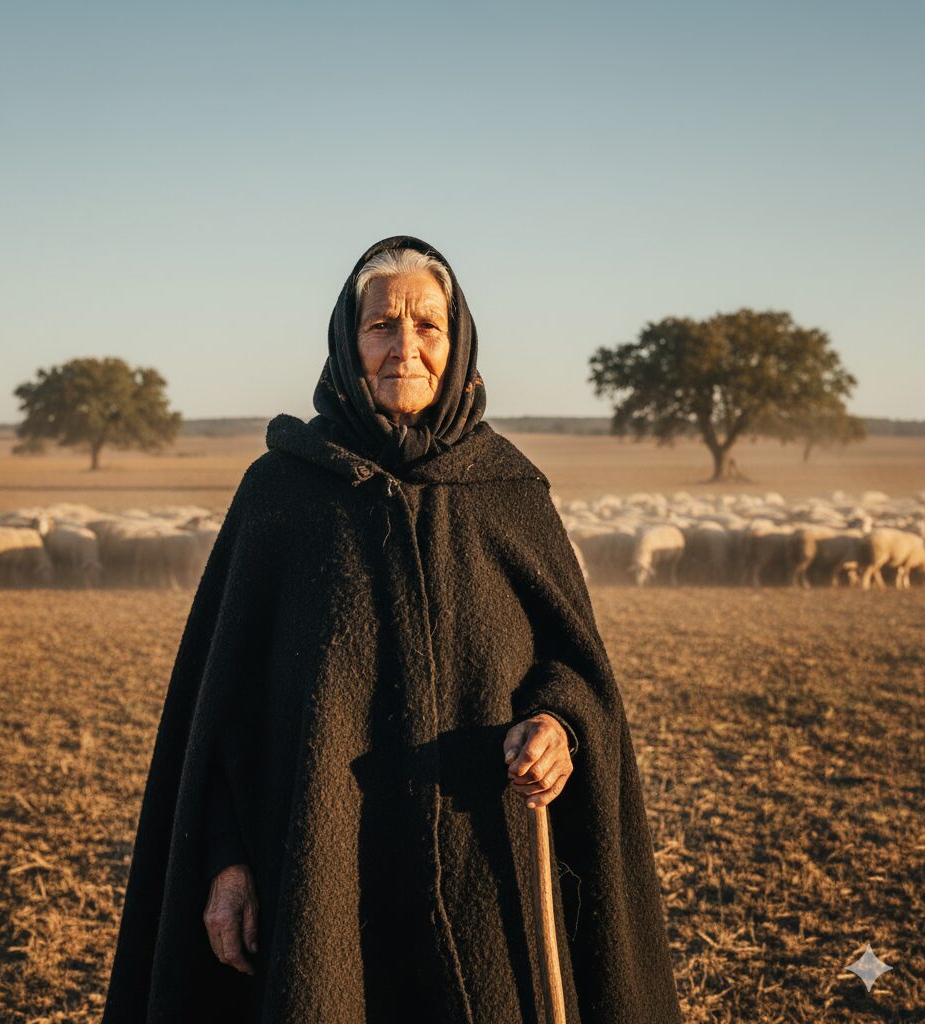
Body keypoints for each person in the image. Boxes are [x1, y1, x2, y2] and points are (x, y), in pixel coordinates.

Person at [100, 235, 683, 1023]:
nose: (405, 346)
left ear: (458, 340)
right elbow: (223, 710)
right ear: (349, 342)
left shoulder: (508, 492)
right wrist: (224, 862)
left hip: (486, 871)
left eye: (427, 325)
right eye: (381, 325)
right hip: (322, 877)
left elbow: (572, 667)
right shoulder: (282, 494)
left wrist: (558, 725)